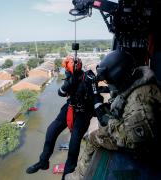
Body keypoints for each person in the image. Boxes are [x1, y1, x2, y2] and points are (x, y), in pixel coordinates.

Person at [65, 50, 161, 180]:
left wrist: (107, 120)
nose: (108, 83)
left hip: (145, 147)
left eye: (108, 80)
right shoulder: (136, 79)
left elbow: (135, 141)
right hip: (143, 130)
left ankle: (79, 176)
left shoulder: (138, 103)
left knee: (94, 138)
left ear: (118, 77)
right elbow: (122, 97)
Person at [26, 56, 94, 179]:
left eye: (67, 72)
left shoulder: (88, 78)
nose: (66, 74)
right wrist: (69, 83)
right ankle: (43, 161)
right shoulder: (69, 78)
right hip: (70, 107)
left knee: (74, 144)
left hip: (83, 112)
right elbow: (61, 93)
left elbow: (95, 96)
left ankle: (67, 174)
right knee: (51, 129)